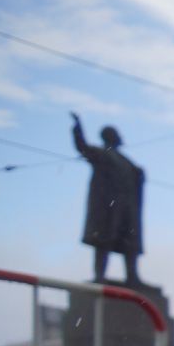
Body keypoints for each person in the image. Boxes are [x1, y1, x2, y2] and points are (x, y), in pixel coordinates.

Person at [70, 114, 144, 284]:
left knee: (129, 241)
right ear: (110, 137)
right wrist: (77, 129)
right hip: (109, 206)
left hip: (127, 206)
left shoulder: (127, 161)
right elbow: (82, 147)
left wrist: (139, 174)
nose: (120, 137)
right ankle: (100, 276)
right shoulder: (101, 154)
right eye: (116, 134)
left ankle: (132, 276)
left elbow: (135, 180)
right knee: (104, 240)